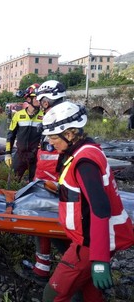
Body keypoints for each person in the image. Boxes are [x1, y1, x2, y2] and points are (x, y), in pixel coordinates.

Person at [41, 101, 134, 302]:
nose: (50, 142)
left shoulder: (84, 161)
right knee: (90, 292)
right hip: (91, 239)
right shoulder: (85, 151)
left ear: (70, 134)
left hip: (89, 243)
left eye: (53, 136)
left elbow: (100, 209)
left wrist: (99, 260)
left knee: (52, 296)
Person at [17, 80, 69, 286]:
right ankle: (43, 268)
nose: (40, 103)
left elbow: (61, 155)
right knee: (44, 228)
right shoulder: (57, 116)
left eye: (41, 100)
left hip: (53, 184)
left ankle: (72, 271)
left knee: (56, 230)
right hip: (46, 181)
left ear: (46, 100)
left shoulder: (59, 118)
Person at [5, 83, 43, 182]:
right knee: (12, 181)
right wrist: (8, 153)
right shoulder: (18, 115)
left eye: (40, 98)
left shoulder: (45, 116)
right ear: (28, 99)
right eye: (36, 98)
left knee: (35, 184)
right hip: (20, 154)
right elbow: (10, 136)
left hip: (36, 156)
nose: (39, 100)